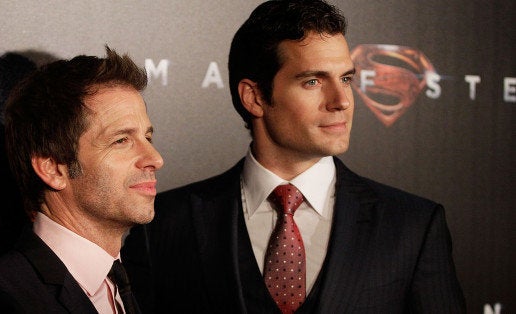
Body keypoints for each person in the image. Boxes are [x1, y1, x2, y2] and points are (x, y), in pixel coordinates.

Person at [121, 1, 466, 313]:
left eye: (346, 78)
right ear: (254, 97)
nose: (341, 100)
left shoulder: (412, 225)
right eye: (313, 81)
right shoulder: (165, 224)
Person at [0, 46, 164, 313]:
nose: (154, 158)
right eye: (121, 140)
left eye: (147, 138)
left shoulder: (132, 282)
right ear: (53, 169)